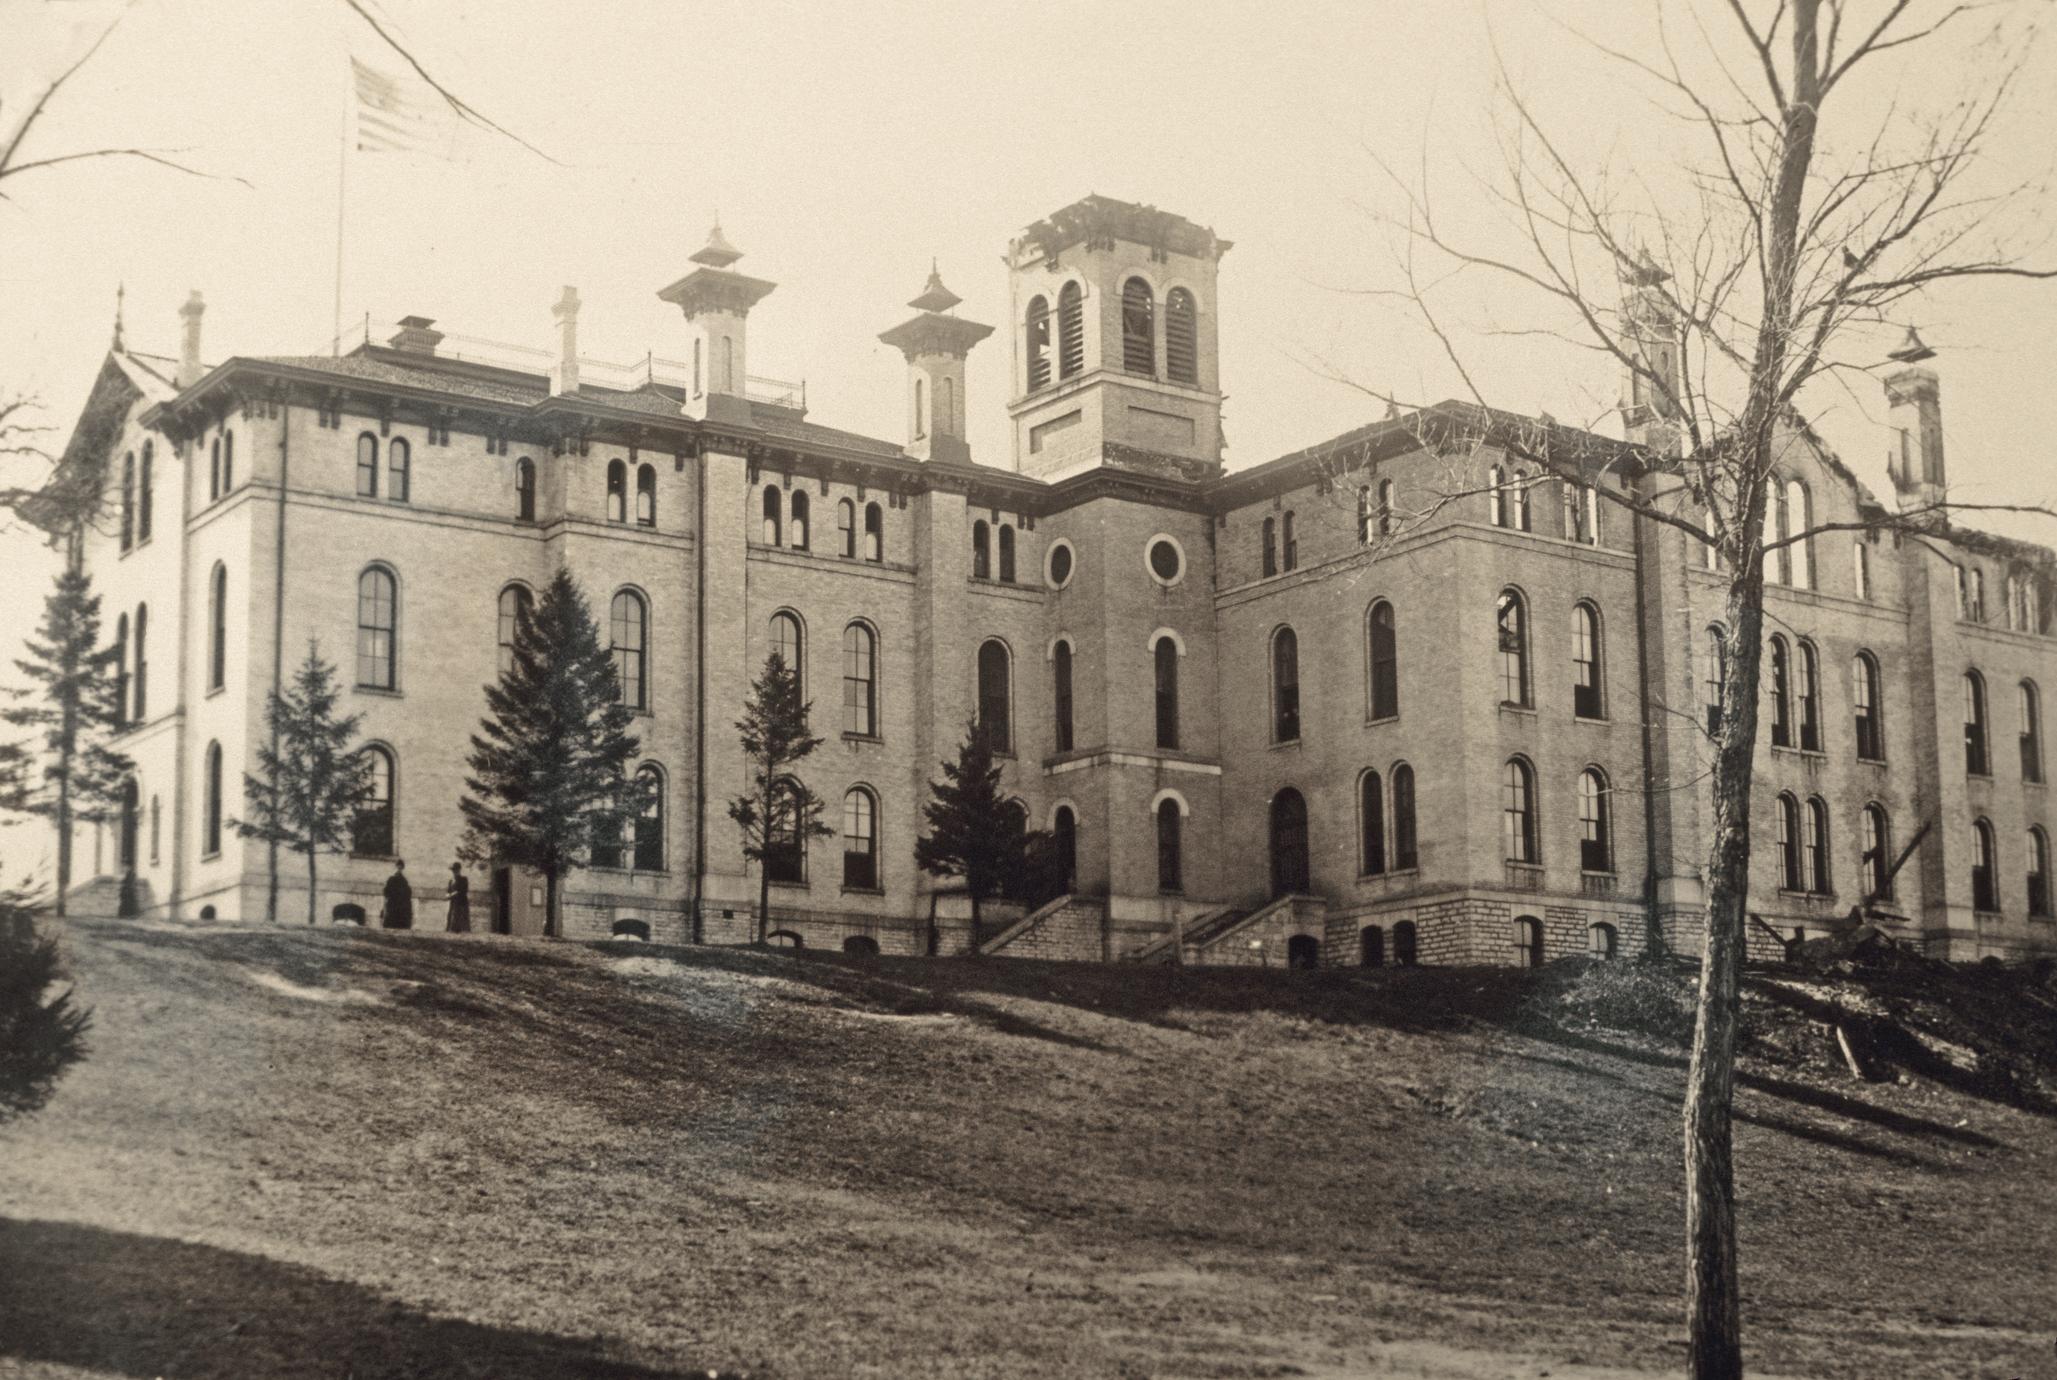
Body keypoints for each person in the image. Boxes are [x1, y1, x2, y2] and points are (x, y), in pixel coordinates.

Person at [379, 859, 414, 930]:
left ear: (402, 868)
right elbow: (386, 892)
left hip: (399, 908)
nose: (399, 869)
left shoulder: (404, 881)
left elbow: (408, 895)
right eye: (398, 867)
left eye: (400, 868)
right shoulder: (392, 879)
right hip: (393, 906)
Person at [445, 862, 471, 934]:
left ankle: (463, 933)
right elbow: (448, 891)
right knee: (452, 920)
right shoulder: (451, 881)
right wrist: (448, 895)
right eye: (453, 870)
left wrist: (452, 894)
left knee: (462, 922)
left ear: (459, 870)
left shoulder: (463, 879)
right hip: (453, 904)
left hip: (462, 903)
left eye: (456, 870)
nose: (454, 872)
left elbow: (463, 891)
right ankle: (451, 932)